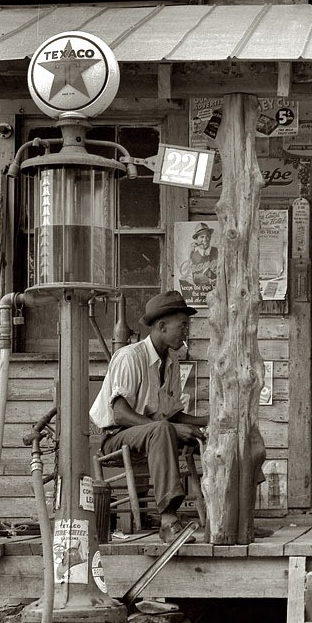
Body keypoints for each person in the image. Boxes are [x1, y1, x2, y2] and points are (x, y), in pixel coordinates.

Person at [89, 290, 209, 542]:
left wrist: (211, 422)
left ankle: (234, 516)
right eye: (183, 325)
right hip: (116, 438)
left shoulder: (172, 362)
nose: (186, 331)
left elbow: (173, 415)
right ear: (162, 326)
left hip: (154, 434)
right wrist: (171, 428)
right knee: (163, 429)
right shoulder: (130, 357)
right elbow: (120, 414)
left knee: (221, 432)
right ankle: (168, 521)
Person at [185, 223, 219, 293]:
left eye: (208, 236)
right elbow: (194, 278)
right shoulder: (194, 255)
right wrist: (189, 255)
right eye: (202, 237)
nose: (205, 240)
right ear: (196, 240)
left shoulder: (217, 251)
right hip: (199, 294)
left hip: (216, 292)